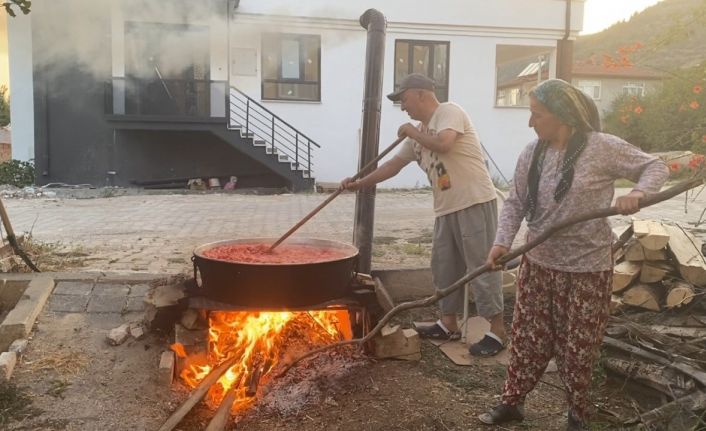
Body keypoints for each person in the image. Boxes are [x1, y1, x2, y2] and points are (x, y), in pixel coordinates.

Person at [478, 79, 669, 429]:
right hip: (539, 265)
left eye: (537, 114)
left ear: (563, 115)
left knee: (578, 348)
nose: (530, 122)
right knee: (526, 339)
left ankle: (578, 413)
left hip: (587, 270)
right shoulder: (531, 153)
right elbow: (516, 202)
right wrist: (501, 242)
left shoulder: (603, 148)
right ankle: (512, 402)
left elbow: (655, 166)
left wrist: (639, 193)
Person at [341, 73, 507, 356]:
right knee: (444, 268)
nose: (403, 107)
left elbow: (444, 144)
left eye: (404, 99)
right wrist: (359, 183)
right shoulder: (418, 132)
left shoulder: (449, 112)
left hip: (474, 201)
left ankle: (498, 331)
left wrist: (411, 131)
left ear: (421, 94)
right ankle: (448, 323)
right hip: (446, 207)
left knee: (482, 266)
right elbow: (392, 166)